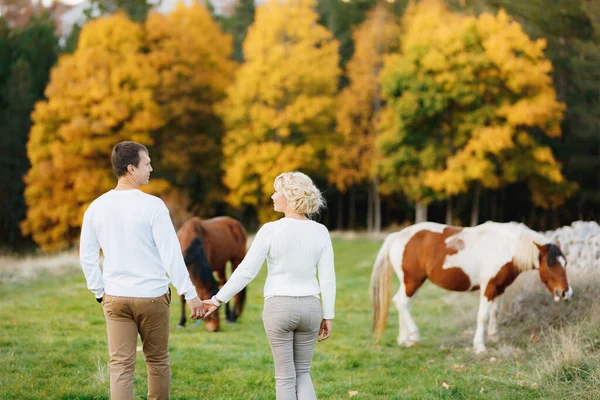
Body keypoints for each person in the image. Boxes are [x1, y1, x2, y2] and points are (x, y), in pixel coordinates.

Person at [79, 141, 205, 400]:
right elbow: (171, 255)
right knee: (157, 361)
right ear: (130, 168)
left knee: (120, 366)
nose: (151, 168)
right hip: (153, 298)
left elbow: (87, 257)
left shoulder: (96, 208)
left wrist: (99, 292)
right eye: (146, 163)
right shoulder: (153, 206)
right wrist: (190, 294)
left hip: (115, 298)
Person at [203, 171, 336, 400]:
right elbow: (328, 277)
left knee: (285, 378)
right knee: (303, 374)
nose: (273, 196)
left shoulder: (270, 230)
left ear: (289, 195)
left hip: (279, 308)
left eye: (276, 191)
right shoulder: (320, 231)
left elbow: (245, 272)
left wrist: (217, 300)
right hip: (311, 309)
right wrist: (328, 315)